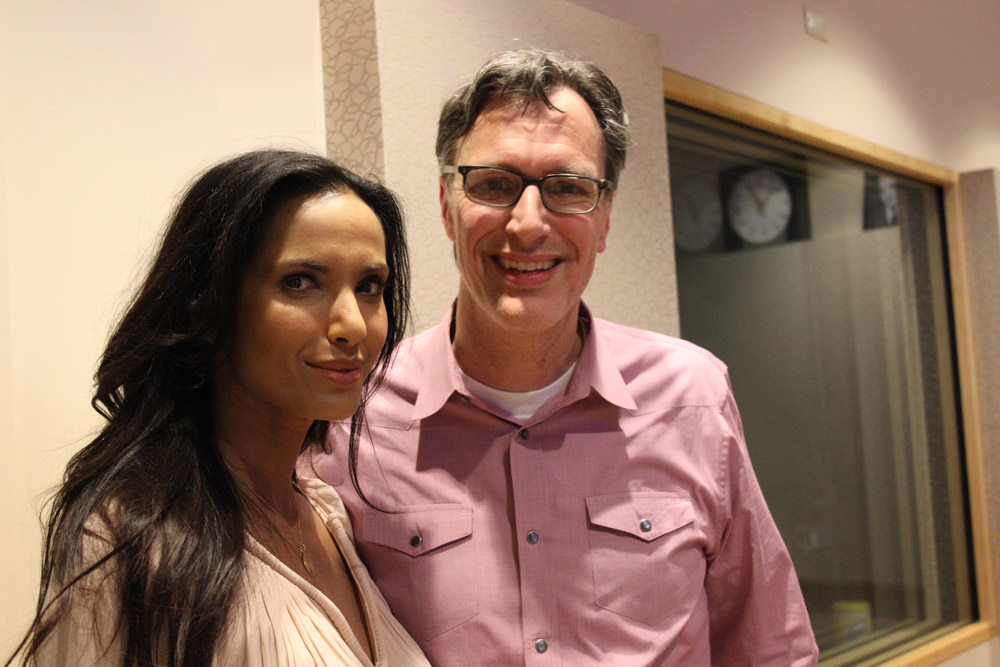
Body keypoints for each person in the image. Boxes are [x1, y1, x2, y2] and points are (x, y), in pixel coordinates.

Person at [301, 50, 819, 666]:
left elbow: (768, 647)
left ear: (603, 217)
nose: (526, 224)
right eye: (494, 184)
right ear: (446, 205)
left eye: (568, 189)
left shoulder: (693, 394)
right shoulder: (351, 421)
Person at [10, 150, 430, 666]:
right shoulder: (131, 540)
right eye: (300, 282)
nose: (353, 325)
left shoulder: (327, 514)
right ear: (208, 305)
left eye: (369, 287)